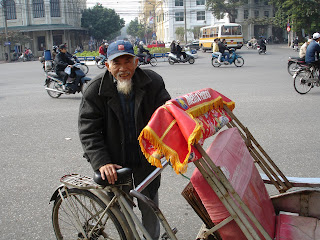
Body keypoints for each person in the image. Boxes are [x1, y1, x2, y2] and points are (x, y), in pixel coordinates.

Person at [78, 40, 171, 240]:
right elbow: (88, 130)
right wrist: (101, 162)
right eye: (116, 63)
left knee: (151, 208)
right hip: (115, 162)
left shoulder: (153, 82)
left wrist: (171, 144)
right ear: (107, 65)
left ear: (136, 62)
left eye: (128, 61)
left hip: (147, 160)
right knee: (123, 214)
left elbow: (167, 115)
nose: (123, 68)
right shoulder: (95, 90)